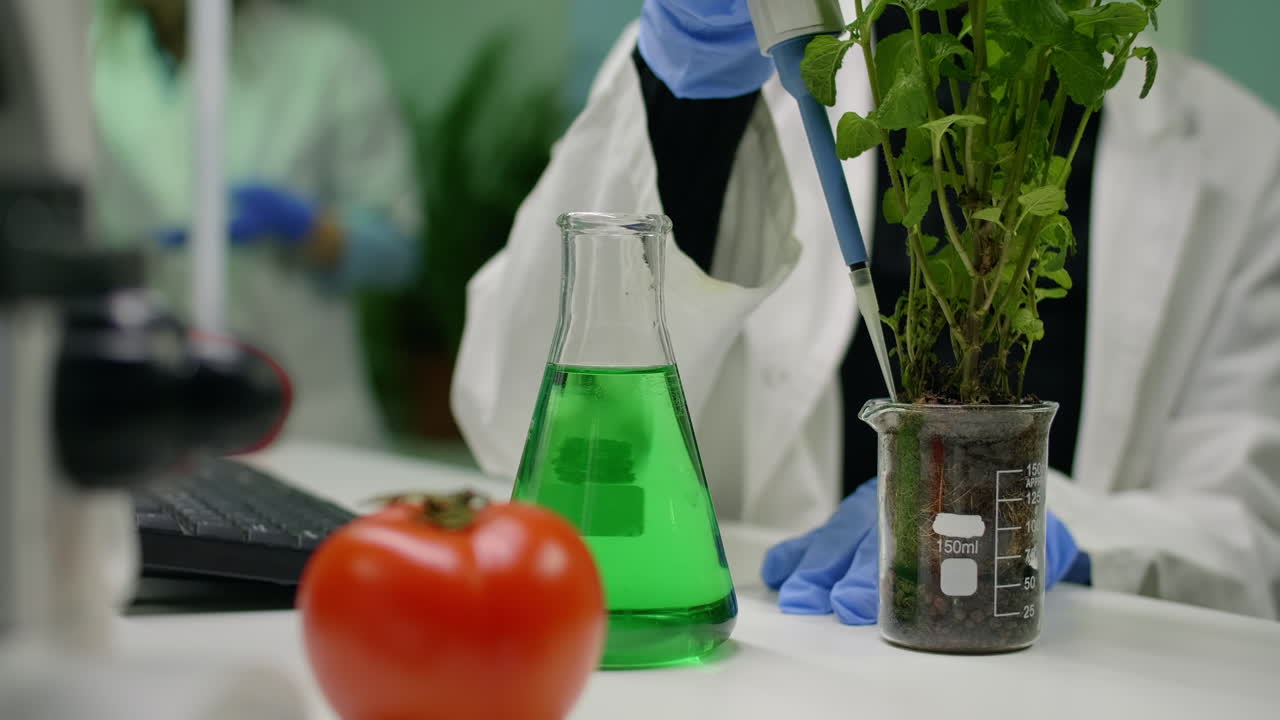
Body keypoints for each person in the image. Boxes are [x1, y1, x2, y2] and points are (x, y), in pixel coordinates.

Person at [452, 0, 1280, 621]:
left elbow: (1244, 535)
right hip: (778, 652)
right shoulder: (765, 52)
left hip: (1045, 664)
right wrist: (688, 92)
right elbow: (515, 412)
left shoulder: (1241, 160)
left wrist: (1037, 522)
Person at [91, 0, 420, 448]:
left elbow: (397, 250)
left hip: (303, 414)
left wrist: (306, 228)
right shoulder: (89, 53)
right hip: (139, 405)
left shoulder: (328, 60)